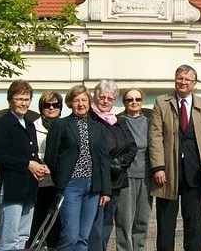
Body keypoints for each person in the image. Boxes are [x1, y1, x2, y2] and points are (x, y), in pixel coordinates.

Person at [149, 64, 201, 251]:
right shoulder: (161, 103)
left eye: (188, 79)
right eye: (180, 78)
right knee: (165, 223)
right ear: (175, 79)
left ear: (194, 83)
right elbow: (155, 136)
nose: (183, 82)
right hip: (168, 172)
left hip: (195, 172)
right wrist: (158, 167)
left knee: (194, 222)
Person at [44, 84, 112, 251]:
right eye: (76, 100)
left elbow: (103, 159)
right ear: (70, 103)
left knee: (83, 238)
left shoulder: (98, 127)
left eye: (84, 100)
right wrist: (60, 181)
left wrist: (106, 190)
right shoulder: (60, 125)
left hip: (92, 188)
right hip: (71, 186)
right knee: (70, 235)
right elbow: (50, 157)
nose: (80, 104)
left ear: (89, 102)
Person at [0, 79, 50, 251]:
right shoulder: (3, 123)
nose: (23, 103)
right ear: (11, 99)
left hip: (29, 188)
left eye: (26, 99)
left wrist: (40, 165)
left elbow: (31, 155)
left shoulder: (30, 125)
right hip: (11, 188)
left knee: (23, 236)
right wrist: (28, 164)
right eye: (19, 99)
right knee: (9, 238)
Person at [89, 80, 137, 251]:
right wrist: (106, 165)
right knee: (94, 225)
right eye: (102, 97)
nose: (105, 101)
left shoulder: (119, 121)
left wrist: (119, 163)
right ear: (95, 97)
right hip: (95, 182)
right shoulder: (89, 119)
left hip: (115, 180)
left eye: (110, 98)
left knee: (107, 223)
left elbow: (132, 147)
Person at [115, 88, 153, 251]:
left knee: (142, 221)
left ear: (142, 101)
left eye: (137, 99)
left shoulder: (150, 123)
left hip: (146, 176)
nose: (134, 102)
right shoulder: (118, 122)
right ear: (124, 103)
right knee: (124, 221)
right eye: (129, 100)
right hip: (125, 176)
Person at [29, 91, 64, 248]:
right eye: (47, 105)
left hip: (58, 181)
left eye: (55, 105)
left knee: (56, 224)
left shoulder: (65, 126)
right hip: (38, 180)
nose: (51, 108)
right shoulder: (32, 127)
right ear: (41, 107)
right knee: (37, 221)